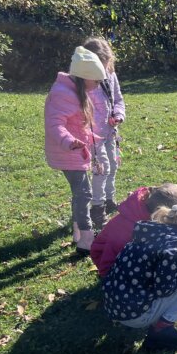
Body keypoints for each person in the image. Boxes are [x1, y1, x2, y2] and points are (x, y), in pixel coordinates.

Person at [103, 197, 177, 351]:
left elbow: (161, 259)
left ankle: (157, 324)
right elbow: (165, 289)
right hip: (135, 316)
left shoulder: (152, 230)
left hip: (114, 305)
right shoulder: (176, 248)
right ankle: (162, 330)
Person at [44, 46, 107, 254]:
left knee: (80, 193)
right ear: (84, 77)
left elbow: (79, 124)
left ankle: (78, 233)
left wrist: (93, 140)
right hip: (68, 152)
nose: (98, 85)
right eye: (96, 81)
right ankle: (86, 239)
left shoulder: (76, 91)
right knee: (84, 194)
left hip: (76, 151)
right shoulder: (63, 94)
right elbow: (55, 124)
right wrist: (69, 141)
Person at [91, 183, 177, 278]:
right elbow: (108, 255)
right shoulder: (127, 228)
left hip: (127, 257)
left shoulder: (146, 215)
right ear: (161, 214)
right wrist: (110, 276)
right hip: (109, 263)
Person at [82, 37, 126, 229]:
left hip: (110, 131)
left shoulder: (110, 74)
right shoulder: (83, 80)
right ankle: (97, 208)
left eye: (107, 63)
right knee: (102, 168)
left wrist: (118, 115)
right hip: (92, 134)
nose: (105, 68)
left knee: (113, 165)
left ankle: (109, 199)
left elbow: (118, 99)